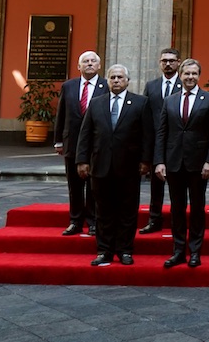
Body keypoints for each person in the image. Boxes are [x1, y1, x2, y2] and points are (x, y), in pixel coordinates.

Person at [75, 64, 153, 266]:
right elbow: (85, 135)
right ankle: (104, 250)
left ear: (127, 80)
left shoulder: (141, 103)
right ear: (107, 81)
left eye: (120, 77)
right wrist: (82, 160)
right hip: (100, 166)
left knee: (127, 211)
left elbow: (147, 135)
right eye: (112, 78)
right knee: (103, 211)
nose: (116, 81)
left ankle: (125, 249)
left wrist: (146, 161)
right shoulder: (96, 103)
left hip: (129, 167)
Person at [154, 58, 209, 269]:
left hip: (198, 163)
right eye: (186, 74)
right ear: (180, 76)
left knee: (197, 208)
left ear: (199, 76)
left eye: (194, 74)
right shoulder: (170, 100)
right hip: (173, 162)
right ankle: (178, 251)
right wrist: (159, 161)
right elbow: (162, 132)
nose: (190, 77)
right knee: (176, 208)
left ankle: (195, 251)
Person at [53, 50, 107, 237]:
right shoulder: (69, 86)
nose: (89, 64)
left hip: (97, 144)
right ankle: (75, 221)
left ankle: (93, 221)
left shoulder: (106, 85)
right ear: (79, 66)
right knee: (74, 185)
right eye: (85, 61)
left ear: (99, 66)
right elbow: (61, 114)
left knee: (94, 185)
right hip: (72, 143)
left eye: (93, 61)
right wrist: (58, 141)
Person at [139, 48, 181, 234]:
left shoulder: (185, 83)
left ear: (178, 62)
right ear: (159, 62)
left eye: (172, 60)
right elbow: (145, 116)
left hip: (178, 144)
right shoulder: (151, 86)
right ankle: (154, 219)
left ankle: (177, 221)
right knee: (156, 185)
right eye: (164, 60)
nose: (168, 64)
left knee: (178, 186)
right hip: (156, 143)